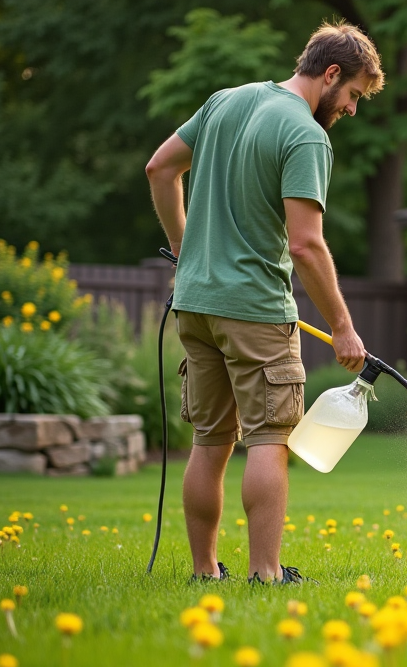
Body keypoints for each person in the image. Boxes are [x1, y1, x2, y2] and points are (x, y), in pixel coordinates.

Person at [144, 21, 384, 583]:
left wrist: (185, 249)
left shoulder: (225, 101)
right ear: (330, 75)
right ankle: (266, 573)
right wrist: (343, 327)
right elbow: (304, 243)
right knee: (270, 439)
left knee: (209, 441)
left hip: (195, 304)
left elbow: (159, 168)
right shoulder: (305, 134)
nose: (350, 110)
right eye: (351, 96)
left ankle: (206, 571)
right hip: (254, 309)